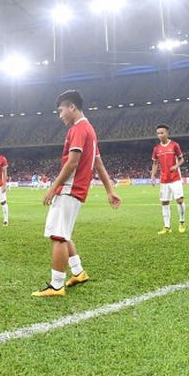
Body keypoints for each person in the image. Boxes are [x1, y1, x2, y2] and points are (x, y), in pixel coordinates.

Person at [33, 90, 121, 297]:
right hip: (77, 189)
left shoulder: (79, 129)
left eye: (61, 110)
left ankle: (56, 285)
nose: (60, 115)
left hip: (70, 189)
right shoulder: (89, 129)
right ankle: (78, 272)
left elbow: (72, 162)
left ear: (72, 107)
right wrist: (110, 191)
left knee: (58, 236)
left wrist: (53, 187)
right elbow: (98, 163)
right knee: (63, 232)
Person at [150, 124, 186, 234]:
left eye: (162, 132)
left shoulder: (174, 145)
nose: (160, 135)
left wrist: (176, 166)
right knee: (164, 203)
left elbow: (181, 159)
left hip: (175, 178)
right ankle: (167, 227)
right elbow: (155, 164)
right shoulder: (156, 149)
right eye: (158, 133)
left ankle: (182, 222)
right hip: (164, 179)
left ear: (167, 133)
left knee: (179, 200)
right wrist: (152, 176)